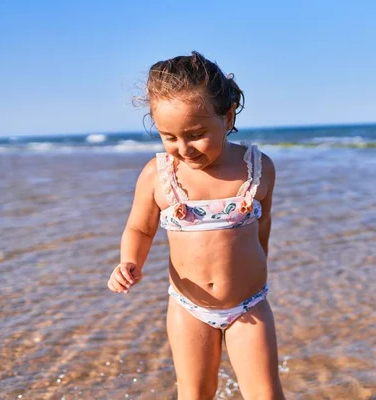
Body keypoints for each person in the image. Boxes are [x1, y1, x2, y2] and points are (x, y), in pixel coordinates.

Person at [107, 51, 285, 400]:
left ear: (228, 116)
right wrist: (130, 262)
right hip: (190, 308)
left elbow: (263, 226)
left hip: (249, 305)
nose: (184, 148)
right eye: (169, 137)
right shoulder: (158, 176)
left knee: (266, 394)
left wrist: (258, 266)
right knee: (195, 393)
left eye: (196, 134)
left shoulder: (257, 168)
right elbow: (140, 229)